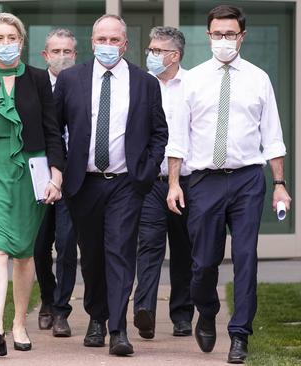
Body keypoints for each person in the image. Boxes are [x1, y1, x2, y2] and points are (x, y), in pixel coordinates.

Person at [166, 5, 292, 364]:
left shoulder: (258, 79)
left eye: (230, 34)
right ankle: (206, 310)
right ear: (208, 36)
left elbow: (273, 137)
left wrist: (279, 183)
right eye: (217, 34)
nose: (224, 40)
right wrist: (174, 183)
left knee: (245, 258)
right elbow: (178, 138)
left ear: (242, 36)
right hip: (203, 180)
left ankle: (240, 335)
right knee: (202, 262)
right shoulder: (191, 80)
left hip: (247, 180)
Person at [54, 14, 168, 356]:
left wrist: (145, 172)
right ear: (92, 43)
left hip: (125, 183)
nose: (107, 46)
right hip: (83, 183)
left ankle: (118, 329)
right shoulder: (71, 79)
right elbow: (53, 130)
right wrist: (59, 170)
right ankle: (97, 317)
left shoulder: (144, 82)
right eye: (101, 40)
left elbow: (159, 132)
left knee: (119, 251)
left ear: (125, 44)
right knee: (90, 256)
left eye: (114, 40)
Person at [0, 12, 65, 357]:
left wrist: (56, 176)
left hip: (30, 173)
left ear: (22, 41)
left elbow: (53, 132)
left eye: (12, 38)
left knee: (23, 254)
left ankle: (19, 323)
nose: (5, 44)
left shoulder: (37, 80)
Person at [133, 26, 194, 340]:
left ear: (175, 55)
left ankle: (182, 315)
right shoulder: (141, 84)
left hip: (187, 181)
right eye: (150, 49)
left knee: (184, 251)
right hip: (151, 182)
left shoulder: (194, 85)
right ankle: (144, 311)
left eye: (157, 50)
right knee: (149, 246)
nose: (151, 55)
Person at [34, 28, 79, 338]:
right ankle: (47, 299)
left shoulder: (82, 84)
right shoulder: (34, 86)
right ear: (45, 55)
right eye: (56, 51)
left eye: (67, 51)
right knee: (39, 246)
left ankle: (62, 310)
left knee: (66, 245)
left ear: (75, 55)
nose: (62, 56)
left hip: (72, 179)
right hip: (39, 177)